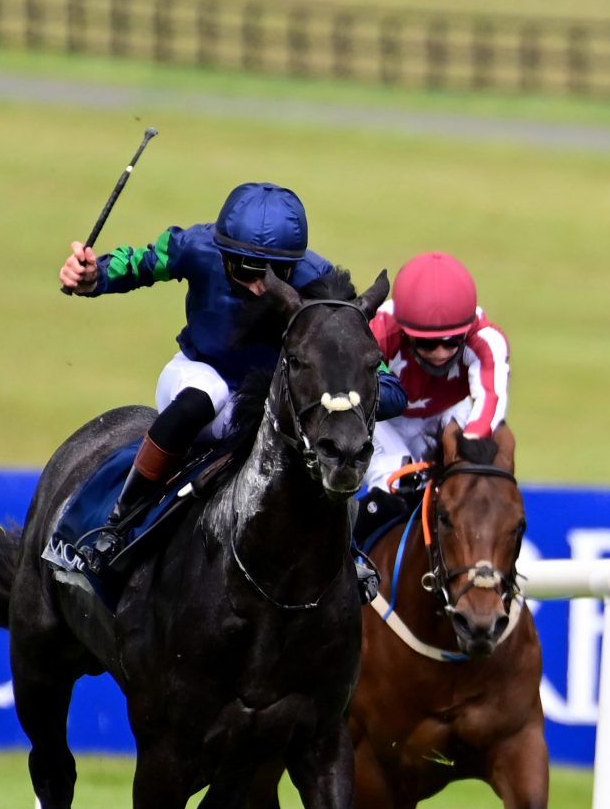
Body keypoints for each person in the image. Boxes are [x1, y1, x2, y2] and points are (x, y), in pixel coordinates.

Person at [56, 181, 404, 571]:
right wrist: (95, 275)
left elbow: (375, 373)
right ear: (223, 256)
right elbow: (142, 263)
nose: (258, 287)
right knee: (203, 399)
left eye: (274, 275)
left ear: (293, 266)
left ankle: (346, 554)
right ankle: (117, 523)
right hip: (201, 372)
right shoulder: (195, 245)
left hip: (271, 398)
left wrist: (361, 392)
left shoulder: (319, 282)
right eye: (245, 271)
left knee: (320, 442)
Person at [354, 251, 511, 543]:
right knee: (397, 485)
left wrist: (466, 453)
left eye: (451, 342)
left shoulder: (487, 340)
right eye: (427, 344)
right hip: (384, 419)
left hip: (447, 412)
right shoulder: (378, 331)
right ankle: (349, 549)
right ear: (405, 332)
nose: (440, 353)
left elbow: (490, 405)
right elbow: (355, 391)